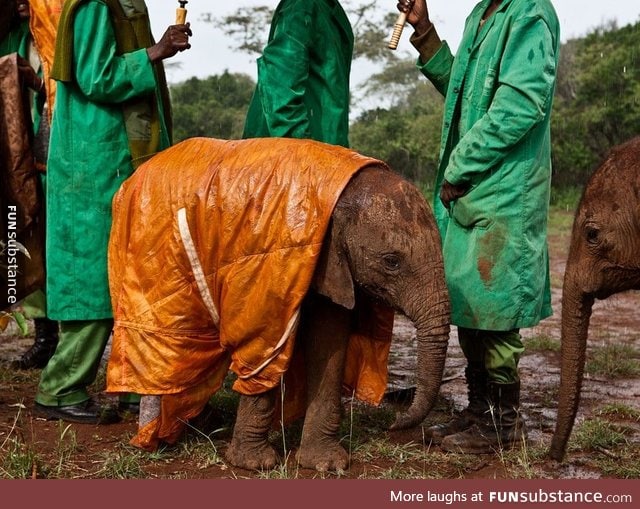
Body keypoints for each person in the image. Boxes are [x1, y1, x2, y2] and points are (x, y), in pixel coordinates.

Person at [397, 0, 559, 453]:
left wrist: (459, 165)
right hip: (472, 188)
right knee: (468, 300)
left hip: (505, 188)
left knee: (497, 308)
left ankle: (504, 424)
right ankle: (479, 410)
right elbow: (463, 92)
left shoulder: (529, 15)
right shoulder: (480, 15)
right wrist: (425, 32)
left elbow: (520, 107)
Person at [33, 0, 191, 424]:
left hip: (114, 161)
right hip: (93, 164)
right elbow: (96, 76)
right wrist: (156, 52)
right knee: (92, 280)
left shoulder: (122, 2)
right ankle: (61, 387)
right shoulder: (93, 5)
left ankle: (132, 386)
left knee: (132, 276)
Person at [0, 0, 58, 370]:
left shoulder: (46, 35)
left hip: (44, 156)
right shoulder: (11, 39)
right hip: (13, 162)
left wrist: (33, 81)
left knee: (42, 241)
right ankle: (43, 334)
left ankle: (50, 336)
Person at [242, 0, 353, 147]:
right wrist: (303, 153)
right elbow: (280, 88)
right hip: (290, 155)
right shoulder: (302, 5)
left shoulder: (329, 8)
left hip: (327, 150)